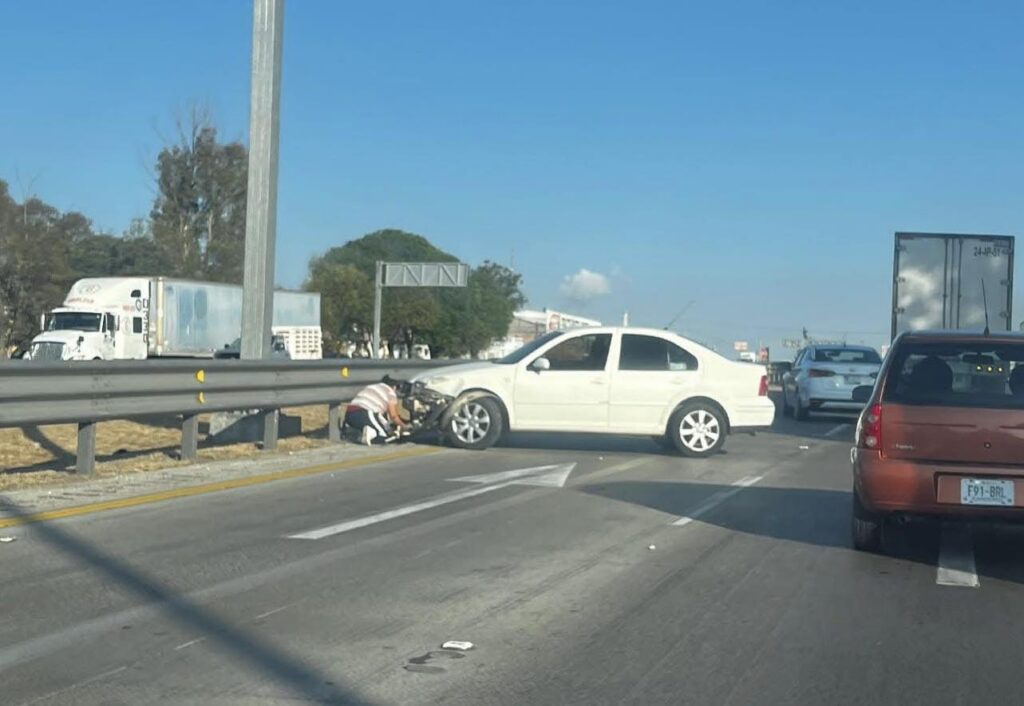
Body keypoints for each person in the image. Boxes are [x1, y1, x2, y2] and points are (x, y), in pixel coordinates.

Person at [345, 376, 407, 445]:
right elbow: (393, 416)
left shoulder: (372, 387)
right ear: (394, 387)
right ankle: (371, 432)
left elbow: (379, 418)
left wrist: (388, 428)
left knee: (375, 425)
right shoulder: (390, 392)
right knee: (383, 436)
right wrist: (404, 426)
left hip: (349, 414)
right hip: (364, 412)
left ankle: (364, 433)